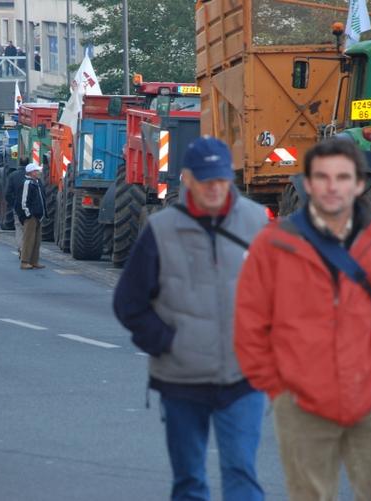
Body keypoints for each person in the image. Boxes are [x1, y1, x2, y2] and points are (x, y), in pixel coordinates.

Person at [234, 137, 371, 501]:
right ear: (307, 185)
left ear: (358, 184)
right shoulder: (275, 244)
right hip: (301, 399)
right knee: (310, 495)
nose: (332, 187)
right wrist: (277, 386)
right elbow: (250, 321)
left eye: (342, 177)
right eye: (322, 177)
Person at [113, 137, 268, 501]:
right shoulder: (162, 229)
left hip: (243, 379)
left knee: (242, 474)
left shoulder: (257, 221)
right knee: (189, 482)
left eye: (221, 179)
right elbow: (128, 302)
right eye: (206, 179)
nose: (215, 188)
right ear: (187, 179)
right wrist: (167, 343)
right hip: (181, 381)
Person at [16, 162, 46, 269]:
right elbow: (24, 201)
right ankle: (25, 261)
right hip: (31, 217)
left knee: (36, 240)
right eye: (37, 171)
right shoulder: (27, 183)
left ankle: (34, 261)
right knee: (29, 239)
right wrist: (28, 215)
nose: (39, 172)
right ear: (31, 172)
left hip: (38, 216)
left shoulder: (37, 183)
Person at [5, 160, 28, 259]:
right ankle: (28, 250)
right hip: (29, 206)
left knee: (19, 228)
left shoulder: (13, 175)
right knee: (28, 229)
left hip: (17, 206)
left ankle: (21, 248)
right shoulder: (31, 176)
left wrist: (12, 203)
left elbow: (7, 193)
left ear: (19, 164)